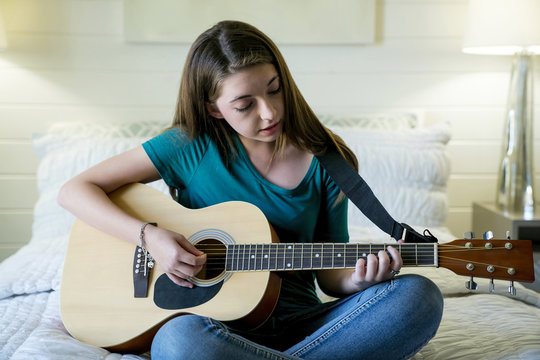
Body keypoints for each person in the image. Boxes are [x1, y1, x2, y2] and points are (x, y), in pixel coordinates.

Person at [58, 20, 443, 360]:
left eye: (274, 90)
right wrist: (149, 237)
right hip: (216, 326)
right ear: (214, 109)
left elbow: (329, 276)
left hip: (305, 323)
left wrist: (359, 280)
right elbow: (76, 190)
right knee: (178, 341)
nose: (270, 112)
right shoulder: (187, 146)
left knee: (418, 297)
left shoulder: (329, 159)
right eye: (245, 104)